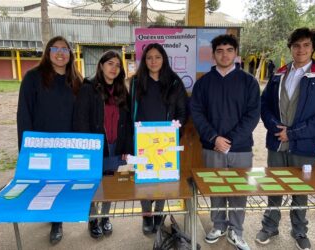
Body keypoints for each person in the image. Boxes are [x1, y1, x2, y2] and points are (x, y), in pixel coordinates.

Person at [256, 28, 315, 250]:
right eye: (296, 45)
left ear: (313, 48)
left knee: (301, 188)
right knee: (274, 185)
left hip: (305, 144)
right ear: (290, 48)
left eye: (305, 45)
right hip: (277, 141)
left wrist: (292, 133)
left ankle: (300, 229)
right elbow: (264, 105)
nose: (300, 50)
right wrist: (275, 127)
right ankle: (270, 225)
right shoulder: (279, 74)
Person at [190, 34, 260, 250]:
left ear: (236, 53)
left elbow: (252, 115)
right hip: (212, 147)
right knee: (216, 189)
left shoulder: (248, 82)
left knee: (239, 192)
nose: (224, 54)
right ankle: (218, 225)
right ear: (213, 55)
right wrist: (214, 138)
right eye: (219, 51)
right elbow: (197, 113)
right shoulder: (203, 83)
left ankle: (237, 231)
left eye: (229, 50)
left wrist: (230, 140)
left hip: (240, 148)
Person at [16, 36, 83, 245]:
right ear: (48, 52)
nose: (61, 53)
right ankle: (52, 217)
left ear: (70, 54)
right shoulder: (33, 77)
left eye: (65, 49)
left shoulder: (77, 79)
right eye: (56, 49)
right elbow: (24, 113)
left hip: (68, 143)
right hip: (42, 143)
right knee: (45, 182)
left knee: (61, 182)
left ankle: (57, 221)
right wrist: (25, 146)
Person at [73, 51, 133, 239]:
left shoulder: (122, 90)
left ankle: (105, 217)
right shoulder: (89, 88)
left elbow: (128, 121)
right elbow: (81, 119)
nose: (114, 68)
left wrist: (127, 147)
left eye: (117, 65)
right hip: (95, 147)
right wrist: (87, 148)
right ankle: (92, 219)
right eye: (110, 63)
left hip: (116, 146)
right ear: (101, 66)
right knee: (92, 183)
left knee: (109, 183)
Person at [130, 43, 188, 235]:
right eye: (149, 57)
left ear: (164, 59)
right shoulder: (135, 82)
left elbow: (182, 112)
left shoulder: (174, 82)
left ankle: (159, 214)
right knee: (145, 179)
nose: (153, 61)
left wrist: (173, 133)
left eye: (157, 57)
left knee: (163, 178)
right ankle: (147, 216)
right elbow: (129, 111)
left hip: (166, 141)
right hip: (142, 141)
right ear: (144, 61)